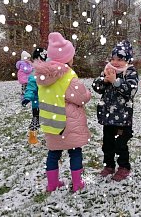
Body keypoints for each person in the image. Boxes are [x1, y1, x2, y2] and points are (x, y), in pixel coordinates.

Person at [34, 32, 92, 192]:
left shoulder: (43, 76)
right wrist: (88, 94)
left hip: (51, 121)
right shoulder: (67, 75)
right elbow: (81, 98)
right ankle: (77, 183)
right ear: (67, 58)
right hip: (68, 123)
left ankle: (52, 184)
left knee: (53, 154)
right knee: (75, 152)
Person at [92, 40, 139, 182]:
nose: (116, 62)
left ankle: (124, 167)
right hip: (108, 117)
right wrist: (105, 81)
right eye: (113, 59)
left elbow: (131, 90)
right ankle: (109, 166)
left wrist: (116, 81)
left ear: (127, 60)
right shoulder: (108, 70)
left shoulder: (130, 72)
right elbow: (96, 86)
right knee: (107, 144)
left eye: (120, 59)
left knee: (120, 144)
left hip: (122, 119)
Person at [21, 47, 47, 145]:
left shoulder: (48, 71)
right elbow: (31, 87)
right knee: (36, 119)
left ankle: (48, 138)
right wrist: (27, 97)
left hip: (47, 102)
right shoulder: (34, 73)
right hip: (37, 103)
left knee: (47, 121)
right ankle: (32, 137)